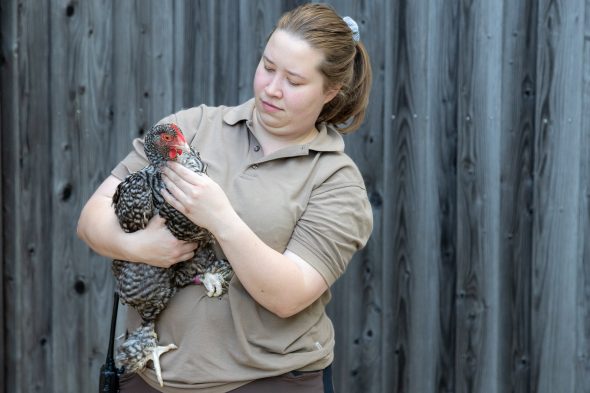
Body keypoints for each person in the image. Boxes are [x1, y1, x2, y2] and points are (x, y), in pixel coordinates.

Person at [77, 3, 373, 392]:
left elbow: (287, 296)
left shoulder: (335, 180)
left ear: (331, 91)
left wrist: (221, 218)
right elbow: (92, 218)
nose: (272, 88)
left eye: (294, 81)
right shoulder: (191, 128)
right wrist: (140, 246)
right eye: (268, 67)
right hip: (152, 378)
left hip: (268, 382)